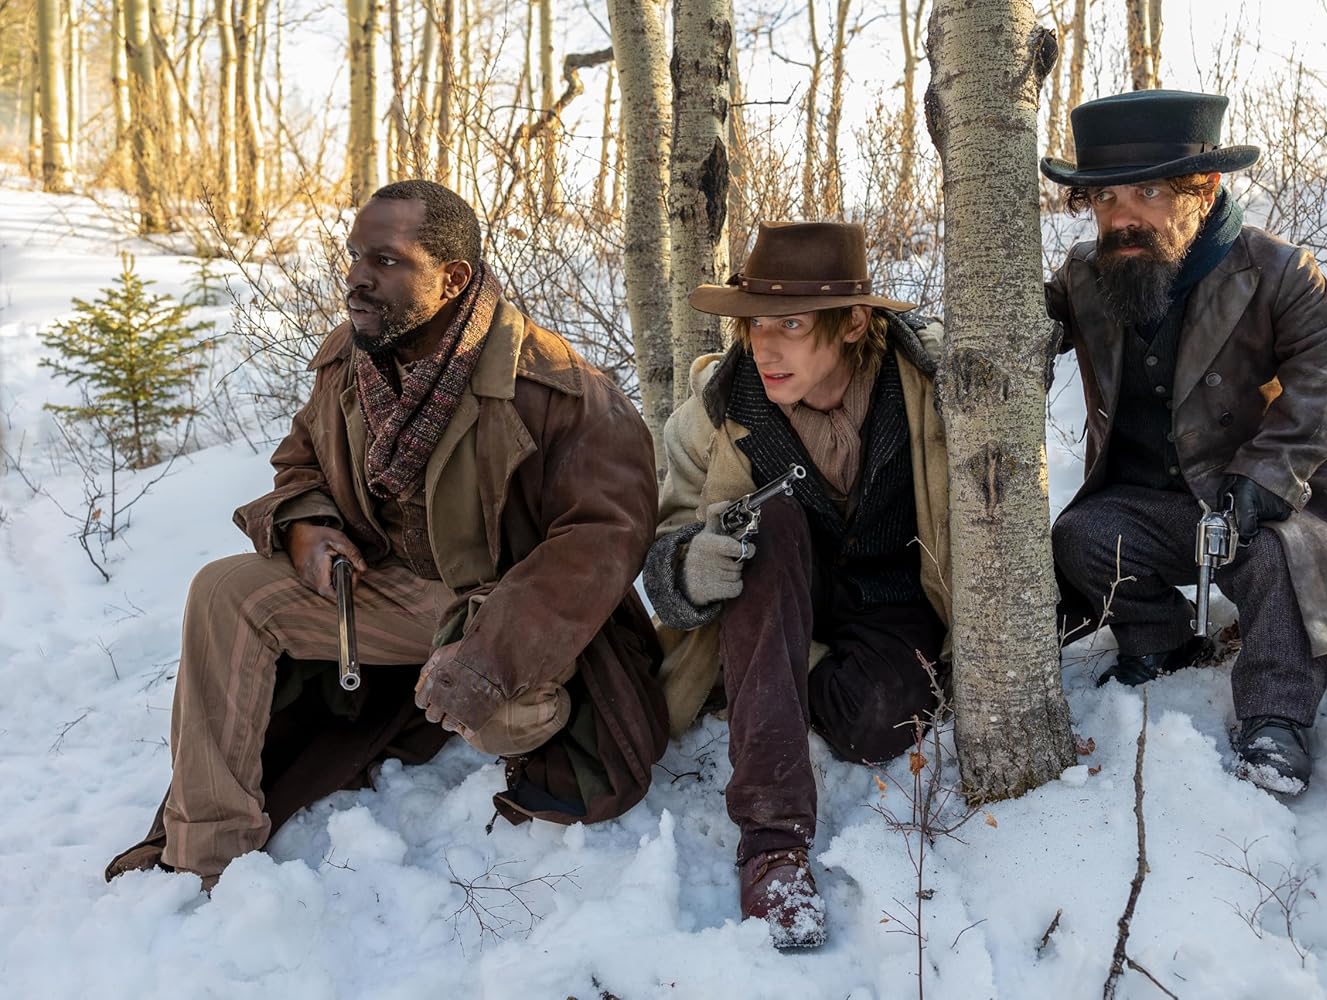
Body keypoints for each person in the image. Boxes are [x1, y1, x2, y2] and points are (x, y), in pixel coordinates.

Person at [106, 180, 668, 888]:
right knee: (224, 591)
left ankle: (499, 707)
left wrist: (489, 657)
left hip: (507, 610)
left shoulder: (558, 388)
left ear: (452, 278)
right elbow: (301, 460)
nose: (357, 278)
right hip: (390, 589)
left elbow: (602, 541)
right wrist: (307, 524)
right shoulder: (352, 358)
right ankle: (205, 851)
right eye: (354, 256)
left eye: (386, 260)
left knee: (505, 716)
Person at [1041, 90, 1327, 794]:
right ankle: (1160, 642)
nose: (1122, 218)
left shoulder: (1280, 272)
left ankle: (1276, 718)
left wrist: (1268, 475)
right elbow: (1021, 329)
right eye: (1105, 199)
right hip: (1148, 507)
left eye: (1149, 193)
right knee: (1081, 535)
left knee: (1281, 561)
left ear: (1206, 187)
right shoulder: (1086, 275)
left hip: (1258, 503)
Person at [643, 222, 952, 948]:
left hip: (893, 600)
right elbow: (663, 551)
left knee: (879, 722)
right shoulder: (715, 412)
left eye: (791, 324)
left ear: (854, 323)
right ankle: (772, 845)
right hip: (776, 591)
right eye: (755, 324)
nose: (766, 347)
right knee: (766, 519)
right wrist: (689, 564)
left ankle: (771, 676)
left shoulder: (930, 385)